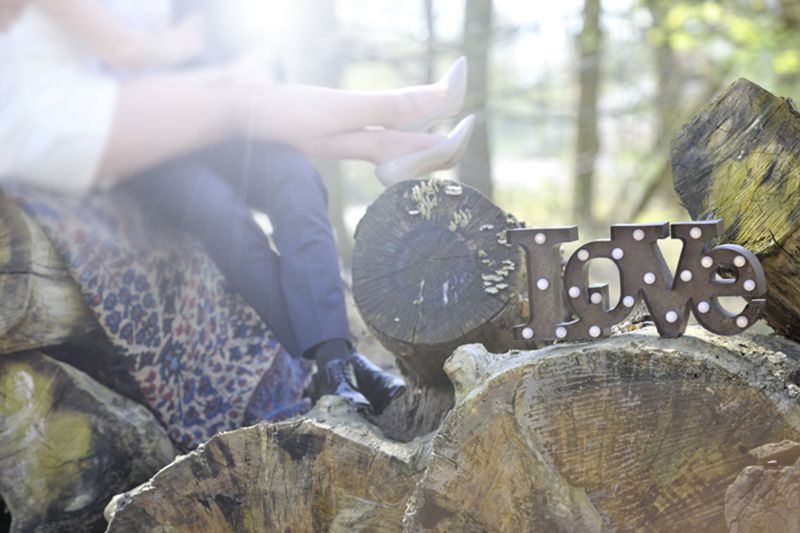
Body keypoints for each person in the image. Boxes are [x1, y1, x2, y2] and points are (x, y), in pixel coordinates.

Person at [0, 0, 474, 415]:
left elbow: (240, 37)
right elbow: (116, 56)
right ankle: (394, 136)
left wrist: (257, 61)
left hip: (221, 118)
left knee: (294, 178)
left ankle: (335, 362)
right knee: (218, 211)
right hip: (145, 143)